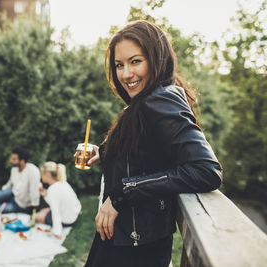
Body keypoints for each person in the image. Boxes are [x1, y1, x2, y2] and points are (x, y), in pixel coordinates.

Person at [80, 20, 223, 267]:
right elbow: (149, 152)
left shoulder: (160, 100)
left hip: (134, 252)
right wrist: (104, 152)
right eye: (119, 65)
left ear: (156, 59)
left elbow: (206, 170)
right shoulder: (147, 101)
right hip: (121, 239)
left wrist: (122, 194)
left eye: (135, 61)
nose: (125, 74)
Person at [0, 147, 40, 214]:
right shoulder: (14, 169)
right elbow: (9, 183)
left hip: (20, 204)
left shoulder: (32, 171)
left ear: (22, 161)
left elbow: (34, 191)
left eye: (14, 159)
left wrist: (34, 209)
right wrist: (1, 195)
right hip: (12, 193)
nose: (10, 161)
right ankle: (3, 201)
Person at [35, 161, 82, 239]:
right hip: (73, 216)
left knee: (36, 216)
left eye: (41, 174)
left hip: (66, 220)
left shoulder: (52, 190)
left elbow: (55, 212)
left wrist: (57, 231)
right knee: (43, 211)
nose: (41, 176)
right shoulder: (63, 183)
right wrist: (45, 195)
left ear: (47, 174)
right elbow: (56, 202)